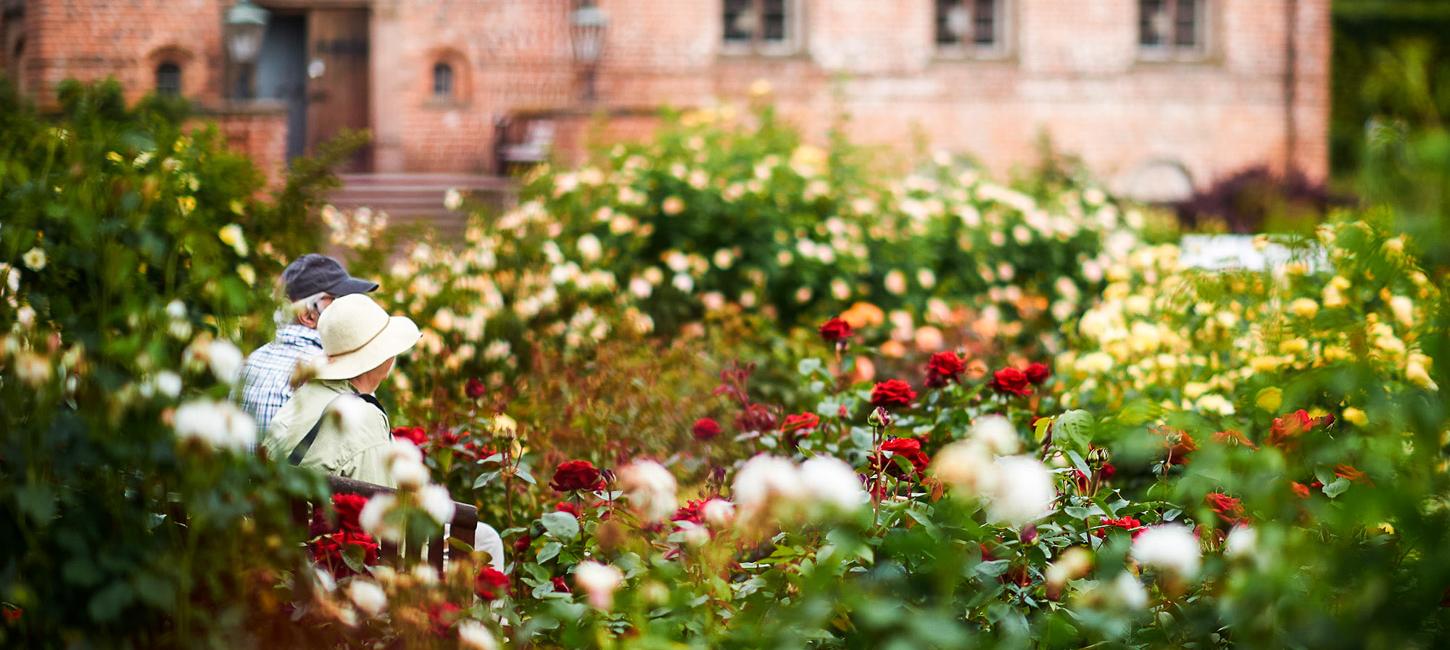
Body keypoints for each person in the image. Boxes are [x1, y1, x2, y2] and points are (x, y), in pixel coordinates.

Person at [261, 294, 420, 486]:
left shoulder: (306, 394)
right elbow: (379, 505)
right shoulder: (366, 418)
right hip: (328, 516)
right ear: (382, 357)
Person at [238, 254, 379, 432]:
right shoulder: (341, 372)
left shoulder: (248, 364)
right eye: (337, 300)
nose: (348, 308)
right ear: (308, 315)